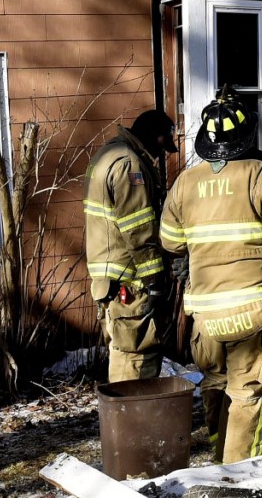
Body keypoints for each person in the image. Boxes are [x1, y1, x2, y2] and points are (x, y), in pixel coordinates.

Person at [160, 86, 262, 462]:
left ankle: (219, 460)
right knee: (249, 391)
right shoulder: (261, 176)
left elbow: (170, 241)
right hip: (254, 311)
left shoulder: (185, 183)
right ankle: (236, 472)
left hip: (205, 315)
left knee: (215, 382)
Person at [83, 108, 177, 382]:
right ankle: (135, 419)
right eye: (162, 149)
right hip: (130, 279)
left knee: (122, 350)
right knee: (137, 354)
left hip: (109, 276)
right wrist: (155, 279)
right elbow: (139, 228)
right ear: (156, 138)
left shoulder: (106, 154)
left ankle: (126, 419)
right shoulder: (129, 164)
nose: (161, 157)